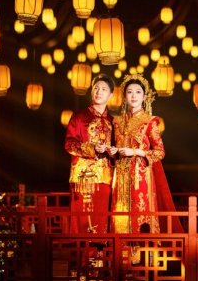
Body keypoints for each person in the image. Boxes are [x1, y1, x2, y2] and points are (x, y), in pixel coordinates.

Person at [109, 73, 179, 234]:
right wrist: (113, 151)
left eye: (138, 92)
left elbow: (160, 152)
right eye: (130, 92)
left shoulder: (149, 122)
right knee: (120, 211)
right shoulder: (117, 122)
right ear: (124, 96)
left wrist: (135, 151)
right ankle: (120, 246)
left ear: (144, 97)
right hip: (120, 174)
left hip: (140, 176)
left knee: (140, 210)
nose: (134, 96)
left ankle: (143, 244)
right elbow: (115, 147)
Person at [64, 74, 116, 234]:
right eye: (96, 88)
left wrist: (112, 151)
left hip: (106, 179)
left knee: (102, 222)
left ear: (111, 95)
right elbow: (69, 144)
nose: (99, 92)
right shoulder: (79, 117)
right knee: (83, 224)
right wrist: (92, 148)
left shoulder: (113, 121)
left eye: (104, 89)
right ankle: (82, 251)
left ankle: (100, 251)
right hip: (83, 179)